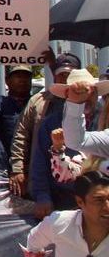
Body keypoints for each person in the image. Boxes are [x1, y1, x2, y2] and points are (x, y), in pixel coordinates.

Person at [24, 171, 109, 257]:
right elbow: (33, 243)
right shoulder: (60, 223)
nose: (107, 206)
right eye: (99, 200)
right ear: (80, 202)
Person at [12, 51, 79, 202]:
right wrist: (18, 169)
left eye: (70, 74)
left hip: (79, 188)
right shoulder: (38, 101)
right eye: (61, 74)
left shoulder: (92, 109)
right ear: (55, 76)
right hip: (44, 186)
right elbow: (21, 135)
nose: (66, 79)